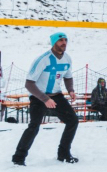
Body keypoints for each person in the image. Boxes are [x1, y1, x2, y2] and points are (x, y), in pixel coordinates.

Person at [12, 33, 79, 165]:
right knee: (34, 126)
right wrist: (45, 99)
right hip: (39, 97)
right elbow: (29, 84)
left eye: (65, 40)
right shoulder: (43, 59)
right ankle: (18, 158)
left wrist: (71, 90)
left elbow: (68, 76)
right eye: (60, 40)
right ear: (54, 43)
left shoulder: (67, 58)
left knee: (73, 121)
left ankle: (63, 154)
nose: (64, 43)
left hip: (56, 96)